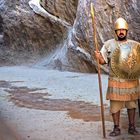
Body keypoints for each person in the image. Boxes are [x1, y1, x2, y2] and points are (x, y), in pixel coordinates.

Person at [94, 17, 140, 136]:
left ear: (126, 31)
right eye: (118, 30)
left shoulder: (135, 45)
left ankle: (131, 127)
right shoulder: (108, 44)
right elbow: (103, 61)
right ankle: (116, 128)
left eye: (123, 30)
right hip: (115, 81)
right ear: (115, 31)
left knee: (131, 105)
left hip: (131, 80)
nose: (121, 32)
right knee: (115, 106)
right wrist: (99, 57)